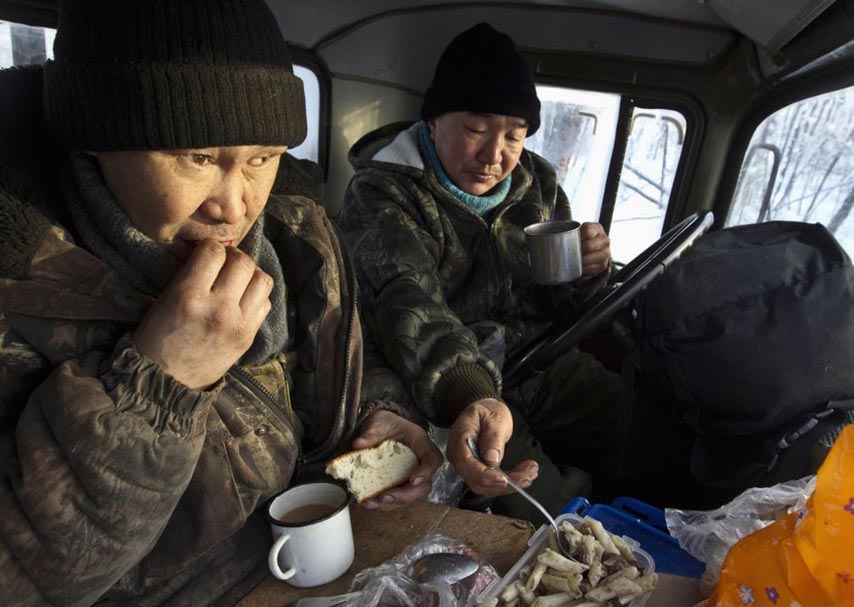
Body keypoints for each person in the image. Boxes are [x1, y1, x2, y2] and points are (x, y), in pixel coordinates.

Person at [0, 1, 441, 605]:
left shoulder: (298, 234)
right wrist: (159, 382)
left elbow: (332, 375)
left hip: (321, 565)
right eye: (197, 158)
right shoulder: (19, 293)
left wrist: (380, 412)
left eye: (261, 158)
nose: (235, 206)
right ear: (97, 142)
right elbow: (22, 579)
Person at [338, 22, 621, 522]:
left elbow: (563, 301)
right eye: (475, 130)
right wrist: (473, 395)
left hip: (542, 359)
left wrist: (587, 271)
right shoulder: (384, 195)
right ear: (433, 122)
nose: (495, 156)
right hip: (452, 383)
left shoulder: (537, 183)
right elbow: (410, 308)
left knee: (636, 428)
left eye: (514, 135)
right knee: (548, 519)